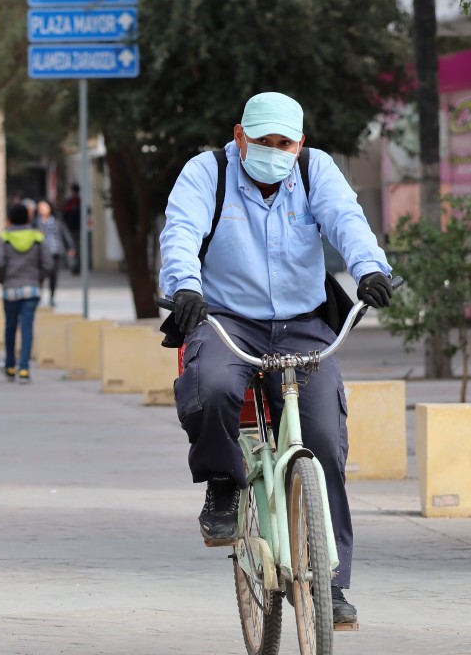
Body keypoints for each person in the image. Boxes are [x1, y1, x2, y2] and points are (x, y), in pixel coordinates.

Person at [159, 91, 393, 627]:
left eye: (283, 143)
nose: (273, 150)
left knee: (326, 442)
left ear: (299, 143)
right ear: (239, 135)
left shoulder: (314, 171)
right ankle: (223, 484)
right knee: (213, 384)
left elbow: (347, 221)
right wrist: (185, 287)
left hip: (303, 324)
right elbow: (181, 234)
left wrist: (370, 270)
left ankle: (329, 584)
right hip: (226, 317)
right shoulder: (207, 172)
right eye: (261, 141)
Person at [0, 203, 54, 385]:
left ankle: (10, 365)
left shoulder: (5, 237)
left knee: (10, 327)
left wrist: (4, 279)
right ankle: (25, 369)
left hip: (10, 289)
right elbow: (48, 264)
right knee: (27, 328)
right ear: (28, 218)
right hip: (31, 289)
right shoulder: (37, 237)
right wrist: (38, 279)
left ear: (10, 218)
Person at [33, 200, 75, 307]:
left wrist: (70, 246)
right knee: (40, 276)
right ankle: (39, 296)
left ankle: (52, 296)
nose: (42, 209)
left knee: (53, 276)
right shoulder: (35, 222)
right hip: (40, 253)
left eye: (44, 207)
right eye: (40, 207)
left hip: (54, 251)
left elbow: (64, 233)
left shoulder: (56, 221)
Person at [60, 183, 82, 274]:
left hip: (72, 228)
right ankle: (74, 266)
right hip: (73, 228)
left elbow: (63, 213)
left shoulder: (74, 201)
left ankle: (75, 265)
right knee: (74, 248)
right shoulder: (75, 201)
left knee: (72, 248)